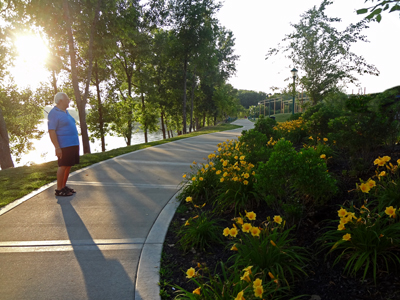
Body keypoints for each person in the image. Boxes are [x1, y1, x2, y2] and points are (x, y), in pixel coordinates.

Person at [48, 92, 80, 196]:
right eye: (67, 99)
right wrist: (57, 147)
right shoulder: (54, 113)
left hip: (72, 144)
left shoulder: (65, 112)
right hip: (64, 145)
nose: (69, 101)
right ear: (61, 100)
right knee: (63, 165)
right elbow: (51, 131)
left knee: (68, 165)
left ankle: (63, 186)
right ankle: (59, 189)